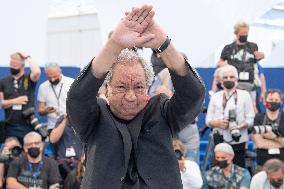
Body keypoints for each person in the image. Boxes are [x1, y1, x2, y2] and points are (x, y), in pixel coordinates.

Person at [66, 4, 205, 189]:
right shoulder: (94, 116)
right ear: (107, 88)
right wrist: (114, 44)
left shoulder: (161, 111)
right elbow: (77, 97)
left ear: (148, 87)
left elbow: (193, 95)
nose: (131, 97)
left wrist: (164, 44)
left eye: (139, 87)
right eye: (122, 87)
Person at [206, 65, 255, 168]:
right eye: (225, 77)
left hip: (239, 139)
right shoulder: (216, 96)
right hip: (220, 138)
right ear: (221, 80)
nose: (228, 79)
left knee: (239, 168)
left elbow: (251, 118)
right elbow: (208, 120)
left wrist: (239, 126)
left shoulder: (245, 95)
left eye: (231, 77)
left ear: (236, 79)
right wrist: (217, 123)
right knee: (218, 169)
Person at [217, 21, 265, 102]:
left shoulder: (252, 46)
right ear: (236, 33)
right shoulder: (228, 48)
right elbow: (219, 62)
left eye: (247, 32)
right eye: (243, 32)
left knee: (251, 107)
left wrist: (261, 55)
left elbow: (259, 59)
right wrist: (228, 66)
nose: (245, 34)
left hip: (249, 83)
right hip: (234, 83)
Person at [0, 52, 41, 143]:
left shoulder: (28, 79)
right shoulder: (3, 81)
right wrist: (15, 101)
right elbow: (1, 103)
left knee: (28, 150)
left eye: (15, 65)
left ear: (22, 65)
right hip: (10, 125)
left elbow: (37, 72)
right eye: (11, 64)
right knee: (12, 151)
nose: (12, 67)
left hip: (28, 124)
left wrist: (28, 57)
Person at [251, 89, 284, 168]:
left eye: (276, 100)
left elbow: (263, 142)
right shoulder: (258, 118)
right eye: (271, 100)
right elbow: (259, 143)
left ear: (281, 102)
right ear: (264, 102)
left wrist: (274, 137)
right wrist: (281, 140)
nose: (273, 102)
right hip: (263, 163)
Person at [38, 62, 74, 130]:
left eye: (54, 76)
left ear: (60, 71)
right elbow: (40, 110)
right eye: (49, 77)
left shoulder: (71, 83)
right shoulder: (43, 87)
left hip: (70, 125)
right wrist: (46, 110)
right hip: (52, 126)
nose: (52, 79)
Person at [49, 114, 82, 179]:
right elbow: (53, 139)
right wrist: (65, 120)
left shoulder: (85, 119)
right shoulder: (63, 119)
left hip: (81, 163)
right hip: (64, 163)